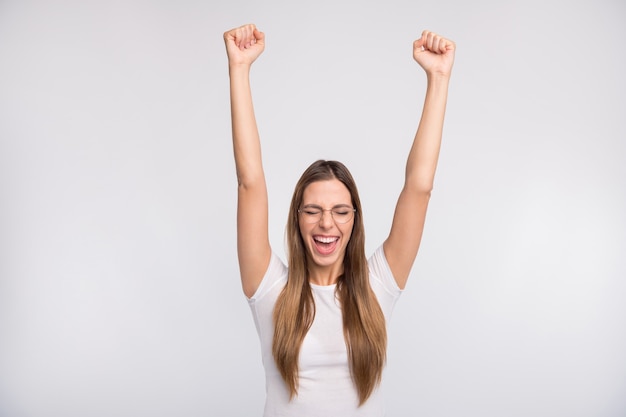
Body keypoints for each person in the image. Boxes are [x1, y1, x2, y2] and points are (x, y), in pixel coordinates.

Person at [224, 23, 455, 417]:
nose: (326, 223)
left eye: (340, 211)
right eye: (312, 210)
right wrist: (239, 69)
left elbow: (419, 188)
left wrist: (438, 78)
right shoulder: (270, 292)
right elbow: (250, 182)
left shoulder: (377, 287)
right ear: (297, 219)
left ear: (354, 221)